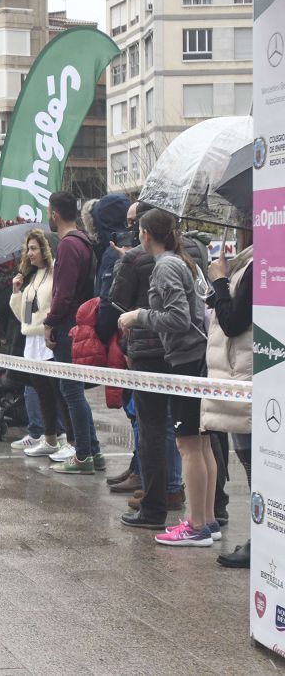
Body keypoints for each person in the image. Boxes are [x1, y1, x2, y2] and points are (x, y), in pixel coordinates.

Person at [118, 209, 215, 546]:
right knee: (200, 443)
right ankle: (208, 521)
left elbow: (178, 317)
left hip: (188, 360)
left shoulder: (166, 266)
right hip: (193, 357)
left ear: (146, 233)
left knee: (188, 443)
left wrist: (138, 315)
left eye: (137, 229)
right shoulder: (177, 261)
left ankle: (197, 526)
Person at [43, 191, 105, 474]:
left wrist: (50, 320)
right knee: (75, 389)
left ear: (55, 213)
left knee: (71, 389)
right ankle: (92, 450)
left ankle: (82, 455)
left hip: (68, 325)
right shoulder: (84, 241)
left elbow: (64, 292)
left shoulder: (67, 245)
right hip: (80, 322)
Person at [202, 233, 253, 567]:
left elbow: (235, 321)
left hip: (245, 376)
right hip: (240, 376)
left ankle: (260, 540)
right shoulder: (249, 259)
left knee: (257, 468)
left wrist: (220, 282)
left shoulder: (259, 263)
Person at [9, 229, 74, 457]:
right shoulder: (34, 276)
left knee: (60, 393)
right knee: (43, 392)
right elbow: (25, 317)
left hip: (49, 338)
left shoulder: (57, 271)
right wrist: (17, 293)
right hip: (32, 340)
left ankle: (71, 442)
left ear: (45, 249)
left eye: (34, 248)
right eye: (28, 249)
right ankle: (49, 439)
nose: (29, 253)